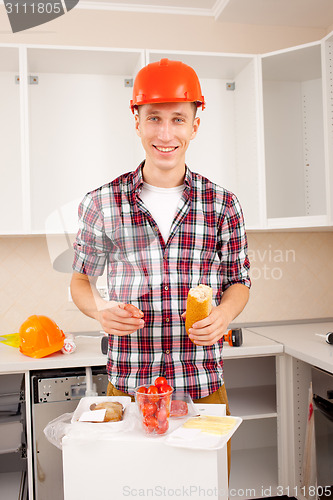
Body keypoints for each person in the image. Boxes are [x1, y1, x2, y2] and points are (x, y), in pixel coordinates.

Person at [70, 58, 250, 471]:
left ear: (195, 125)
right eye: (153, 118)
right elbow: (81, 281)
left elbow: (238, 281)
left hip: (202, 383)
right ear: (136, 121)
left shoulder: (223, 204)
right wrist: (100, 309)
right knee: (130, 488)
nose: (165, 134)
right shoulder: (102, 202)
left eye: (177, 119)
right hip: (131, 384)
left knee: (205, 489)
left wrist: (223, 313)